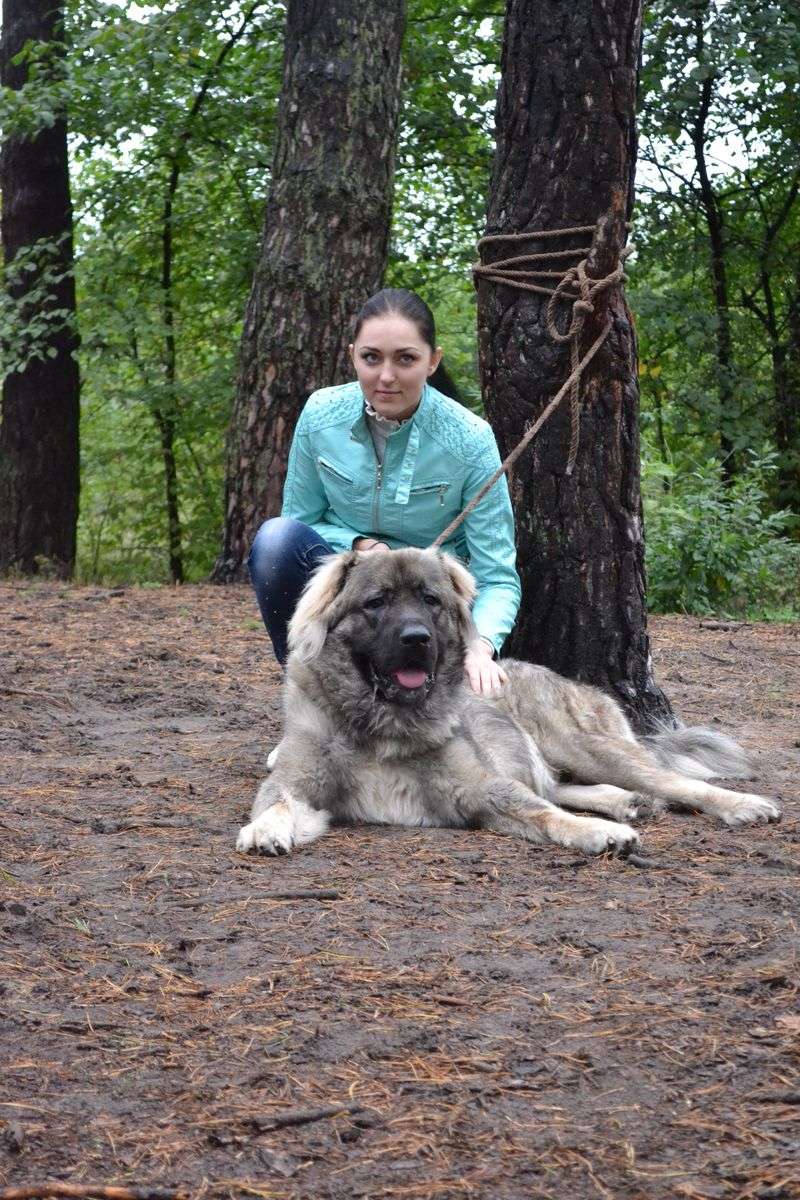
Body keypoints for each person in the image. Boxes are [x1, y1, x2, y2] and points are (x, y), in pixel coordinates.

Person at [248, 287, 521, 698]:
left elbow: (498, 576)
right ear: (352, 354)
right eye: (371, 358)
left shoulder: (471, 439)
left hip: (431, 603)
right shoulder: (321, 414)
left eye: (405, 359)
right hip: (355, 583)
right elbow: (301, 522)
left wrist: (480, 648)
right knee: (274, 540)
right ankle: (307, 698)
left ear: (433, 361)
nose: (386, 377)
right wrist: (360, 546)